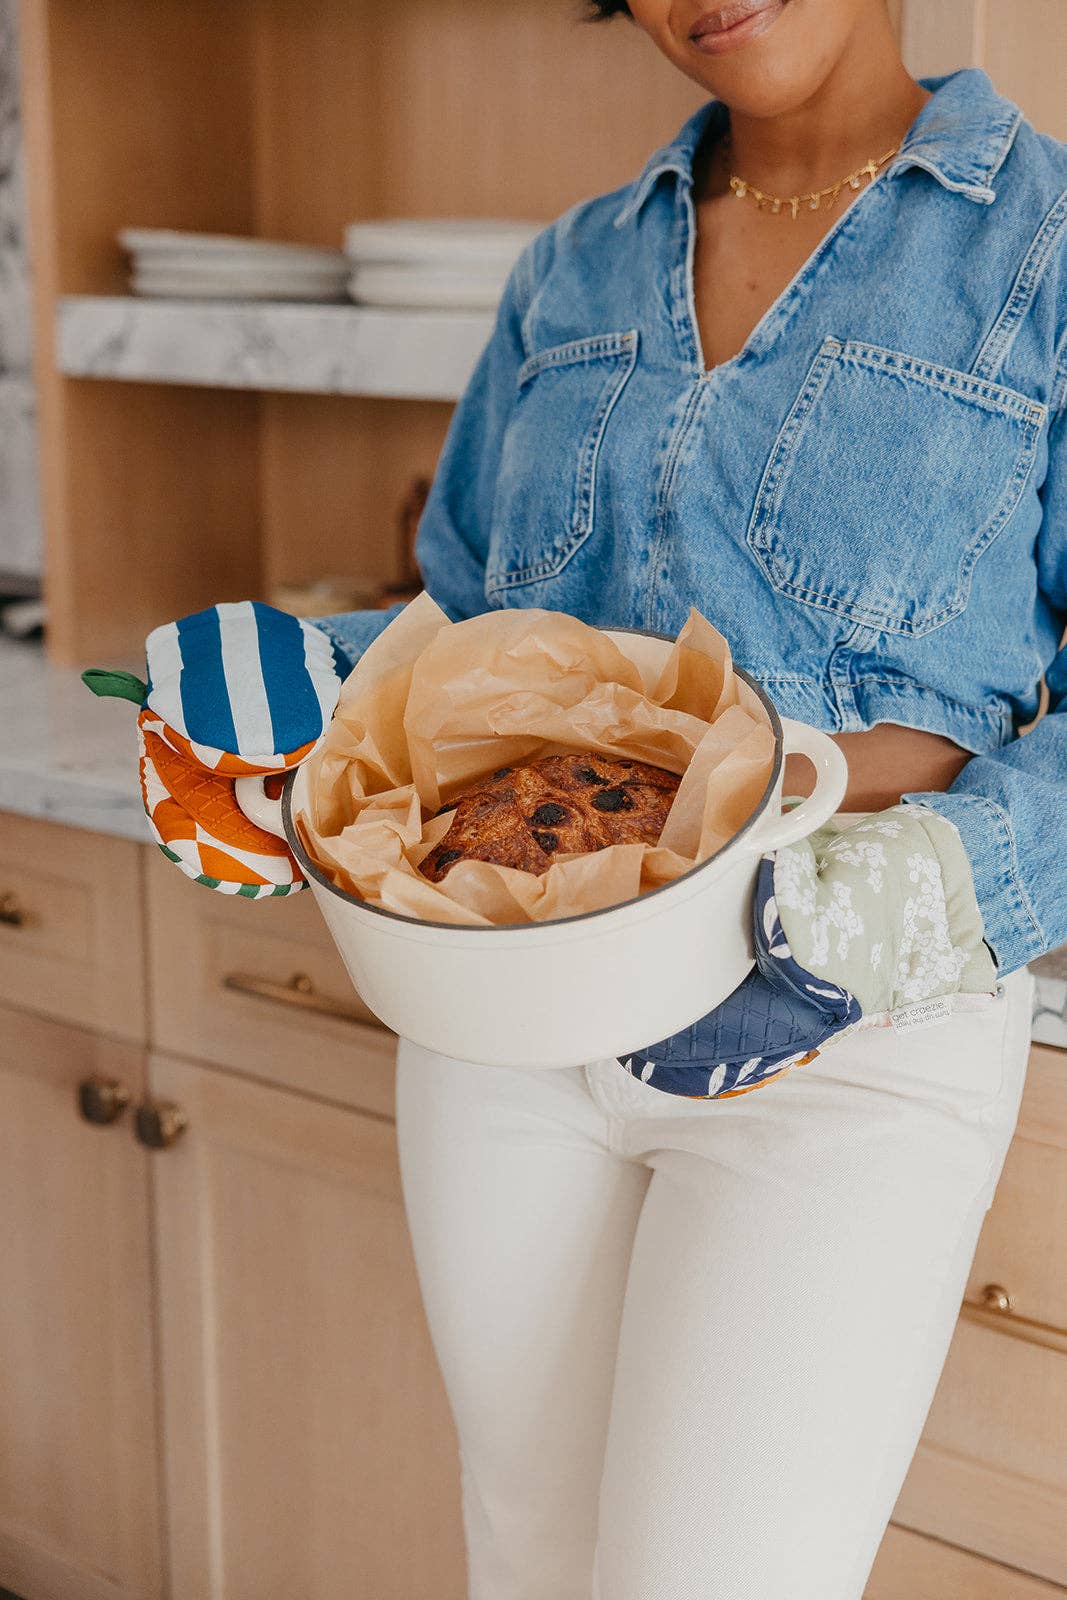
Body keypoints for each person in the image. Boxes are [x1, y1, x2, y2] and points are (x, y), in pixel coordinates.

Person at [118, 1, 1067, 1594]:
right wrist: (292, 706)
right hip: (507, 1018)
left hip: (844, 1037)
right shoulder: (569, 267)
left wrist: (921, 901)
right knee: (532, 1562)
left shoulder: (1041, 252)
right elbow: (476, 648)